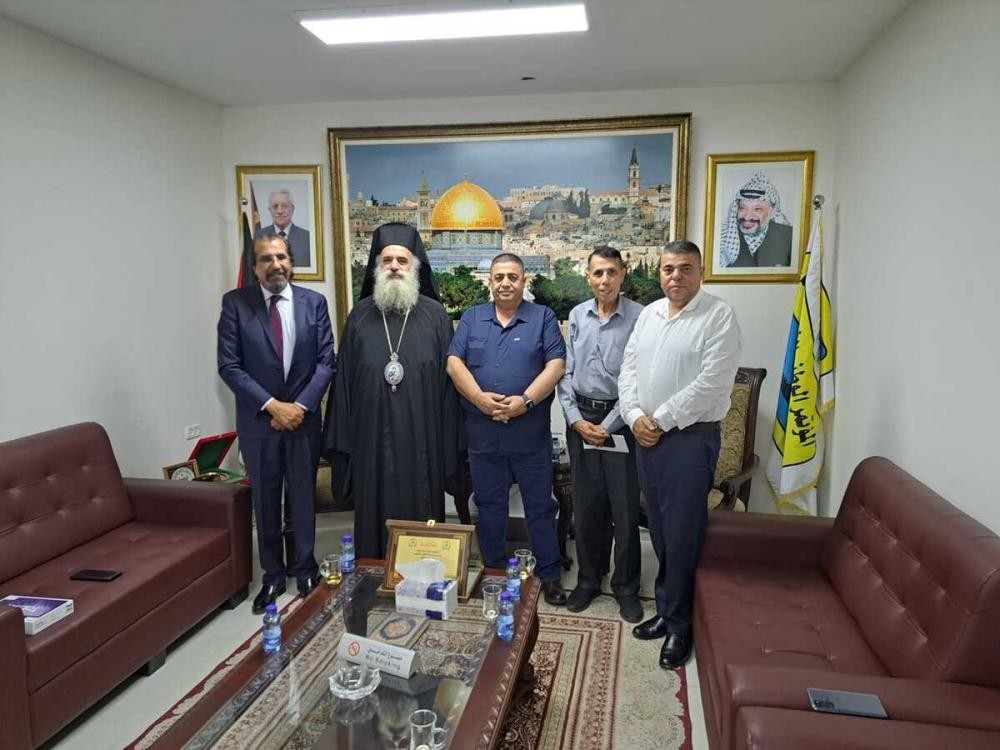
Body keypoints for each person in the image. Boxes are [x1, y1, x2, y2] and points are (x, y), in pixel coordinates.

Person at [619, 240, 741, 669]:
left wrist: (660, 420)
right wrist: (634, 416)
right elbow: (628, 370)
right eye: (668, 269)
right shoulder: (649, 314)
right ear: (659, 273)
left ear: (700, 272)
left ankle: (681, 626)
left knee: (683, 533)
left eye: (685, 268)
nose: (676, 276)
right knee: (659, 528)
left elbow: (712, 383)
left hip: (689, 439)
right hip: (646, 437)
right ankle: (667, 610)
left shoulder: (719, 316)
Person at [324, 223, 461, 559]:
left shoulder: (436, 317)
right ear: (377, 266)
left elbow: (449, 390)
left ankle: (426, 573)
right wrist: (346, 444)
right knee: (373, 517)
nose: (395, 267)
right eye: (387, 260)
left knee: (423, 513)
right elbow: (344, 386)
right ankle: (372, 571)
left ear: (415, 266)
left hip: (423, 443)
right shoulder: (359, 317)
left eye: (402, 260)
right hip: (370, 442)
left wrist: (449, 447)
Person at [218, 235, 335, 614]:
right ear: (255, 267)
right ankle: (272, 575)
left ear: (291, 262)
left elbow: (326, 362)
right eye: (266, 259)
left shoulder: (314, 303)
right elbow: (229, 366)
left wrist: (299, 406)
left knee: (302, 495)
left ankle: (305, 568)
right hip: (260, 422)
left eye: (281, 257)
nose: (276, 265)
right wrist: (273, 407)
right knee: (266, 501)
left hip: (303, 420)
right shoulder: (236, 304)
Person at [447, 253, 568, 606]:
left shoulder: (542, 317)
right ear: (490, 281)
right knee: (489, 506)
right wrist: (480, 400)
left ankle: (550, 574)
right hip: (483, 434)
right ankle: (495, 572)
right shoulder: (472, 317)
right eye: (499, 277)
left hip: (530, 435)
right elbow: (454, 364)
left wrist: (525, 402)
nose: (505, 283)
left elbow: (556, 365)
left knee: (540, 507)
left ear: (524, 281)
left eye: (512, 277)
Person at [556, 246, 644, 622]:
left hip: (620, 421)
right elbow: (565, 373)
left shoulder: (641, 317)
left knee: (624, 509)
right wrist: (576, 420)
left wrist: (606, 427)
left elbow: (639, 380)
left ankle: (626, 586)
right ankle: (589, 579)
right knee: (587, 506)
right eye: (598, 273)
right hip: (581, 421)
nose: (604, 280)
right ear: (588, 277)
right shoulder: (578, 315)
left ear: (623, 274)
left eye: (611, 272)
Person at [719, 172, 792, 268]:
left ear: (772, 212)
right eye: (742, 208)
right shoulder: (723, 237)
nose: (747, 217)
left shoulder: (788, 235)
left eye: (757, 209)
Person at [256, 188, 312, 267]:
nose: (280, 211)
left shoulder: (307, 237)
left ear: (292, 209)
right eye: (275, 206)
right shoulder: (259, 236)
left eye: (285, 206)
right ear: (270, 210)